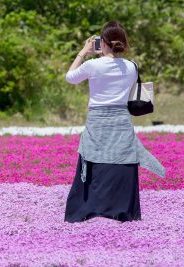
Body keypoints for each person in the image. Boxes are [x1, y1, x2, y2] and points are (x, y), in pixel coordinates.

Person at [64, 21, 165, 222]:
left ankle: (90, 208)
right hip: (121, 120)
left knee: (94, 159)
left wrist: (84, 52)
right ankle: (121, 211)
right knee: (122, 161)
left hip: (98, 120)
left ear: (104, 43)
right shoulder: (132, 66)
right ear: (123, 43)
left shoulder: (92, 64)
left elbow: (70, 77)